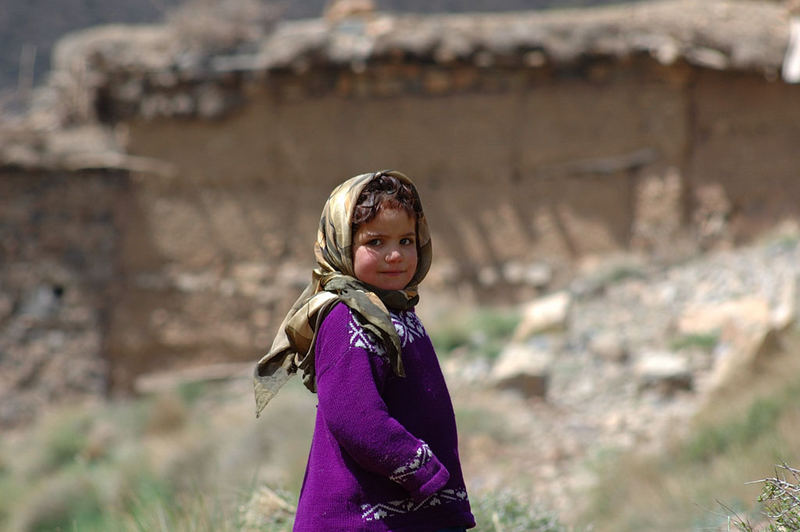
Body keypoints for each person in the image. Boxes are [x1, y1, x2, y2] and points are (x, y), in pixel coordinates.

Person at [254, 170, 475, 531]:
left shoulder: (395, 311)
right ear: (341, 244)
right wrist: (418, 465)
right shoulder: (346, 319)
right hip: (359, 516)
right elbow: (352, 415)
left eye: (406, 240)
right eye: (375, 243)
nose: (395, 255)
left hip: (405, 511)